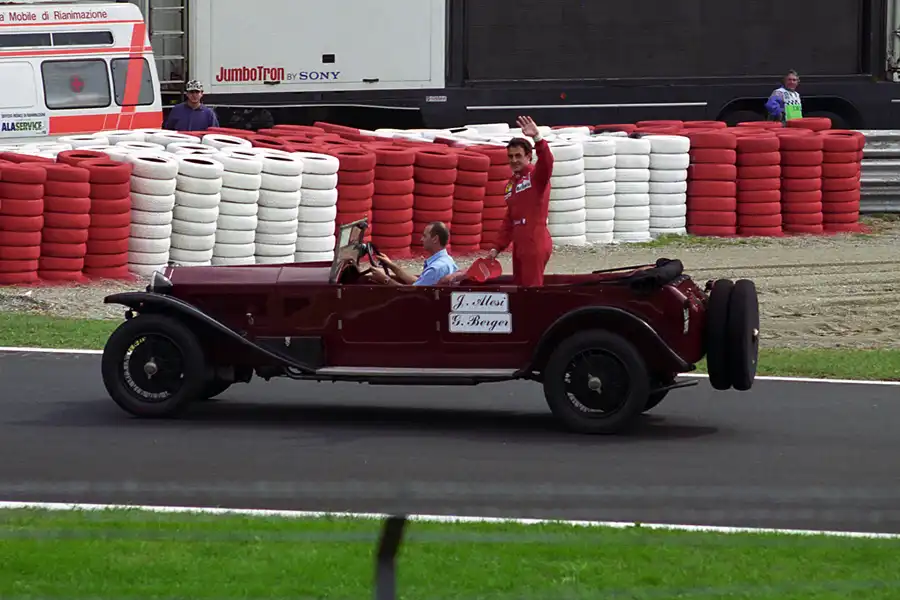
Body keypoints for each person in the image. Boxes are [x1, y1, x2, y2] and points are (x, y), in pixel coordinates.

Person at [487, 115, 554, 286]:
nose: (514, 160)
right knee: (519, 288)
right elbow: (509, 219)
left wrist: (537, 138)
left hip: (535, 241)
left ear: (528, 156)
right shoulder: (511, 184)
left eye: (518, 155)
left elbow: (547, 163)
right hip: (519, 244)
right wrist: (497, 247)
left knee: (531, 291)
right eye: (510, 156)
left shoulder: (536, 177)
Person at [368, 221, 458, 286]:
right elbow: (418, 283)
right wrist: (391, 265)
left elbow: (412, 294)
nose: (421, 239)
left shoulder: (435, 269)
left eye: (425, 236)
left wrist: (385, 280)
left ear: (435, 239)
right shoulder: (447, 260)